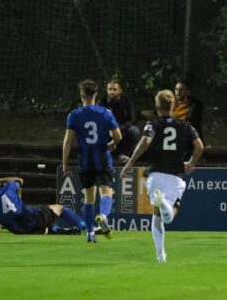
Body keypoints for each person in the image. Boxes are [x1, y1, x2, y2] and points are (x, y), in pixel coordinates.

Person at [120, 90, 203, 263]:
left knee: (158, 216)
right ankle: (164, 203)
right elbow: (199, 146)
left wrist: (130, 163)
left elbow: (145, 141)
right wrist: (191, 162)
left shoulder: (153, 123)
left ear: (157, 106)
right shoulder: (184, 125)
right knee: (169, 217)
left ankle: (160, 255)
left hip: (155, 174)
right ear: (173, 105)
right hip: (175, 175)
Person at [63, 80, 122, 243]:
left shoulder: (74, 115)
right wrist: (112, 144)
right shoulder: (105, 113)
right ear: (96, 94)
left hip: (85, 161)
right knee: (107, 192)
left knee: (89, 198)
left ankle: (90, 233)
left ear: (81, 95)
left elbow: (68, 141)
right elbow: (118, 136)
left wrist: (65, 162)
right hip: (103, 158)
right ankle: (103, 216)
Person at [98, 78, 141, 163]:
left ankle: (123, 154)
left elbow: (133, 120)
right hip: (107, 132)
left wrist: (119, 129)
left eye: (114, 89)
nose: (112, 92)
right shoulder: (101, 103)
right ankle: (105, 154)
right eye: (110, 89)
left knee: (135, 131)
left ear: (120, 90)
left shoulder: (127, 102)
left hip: (123, 130)